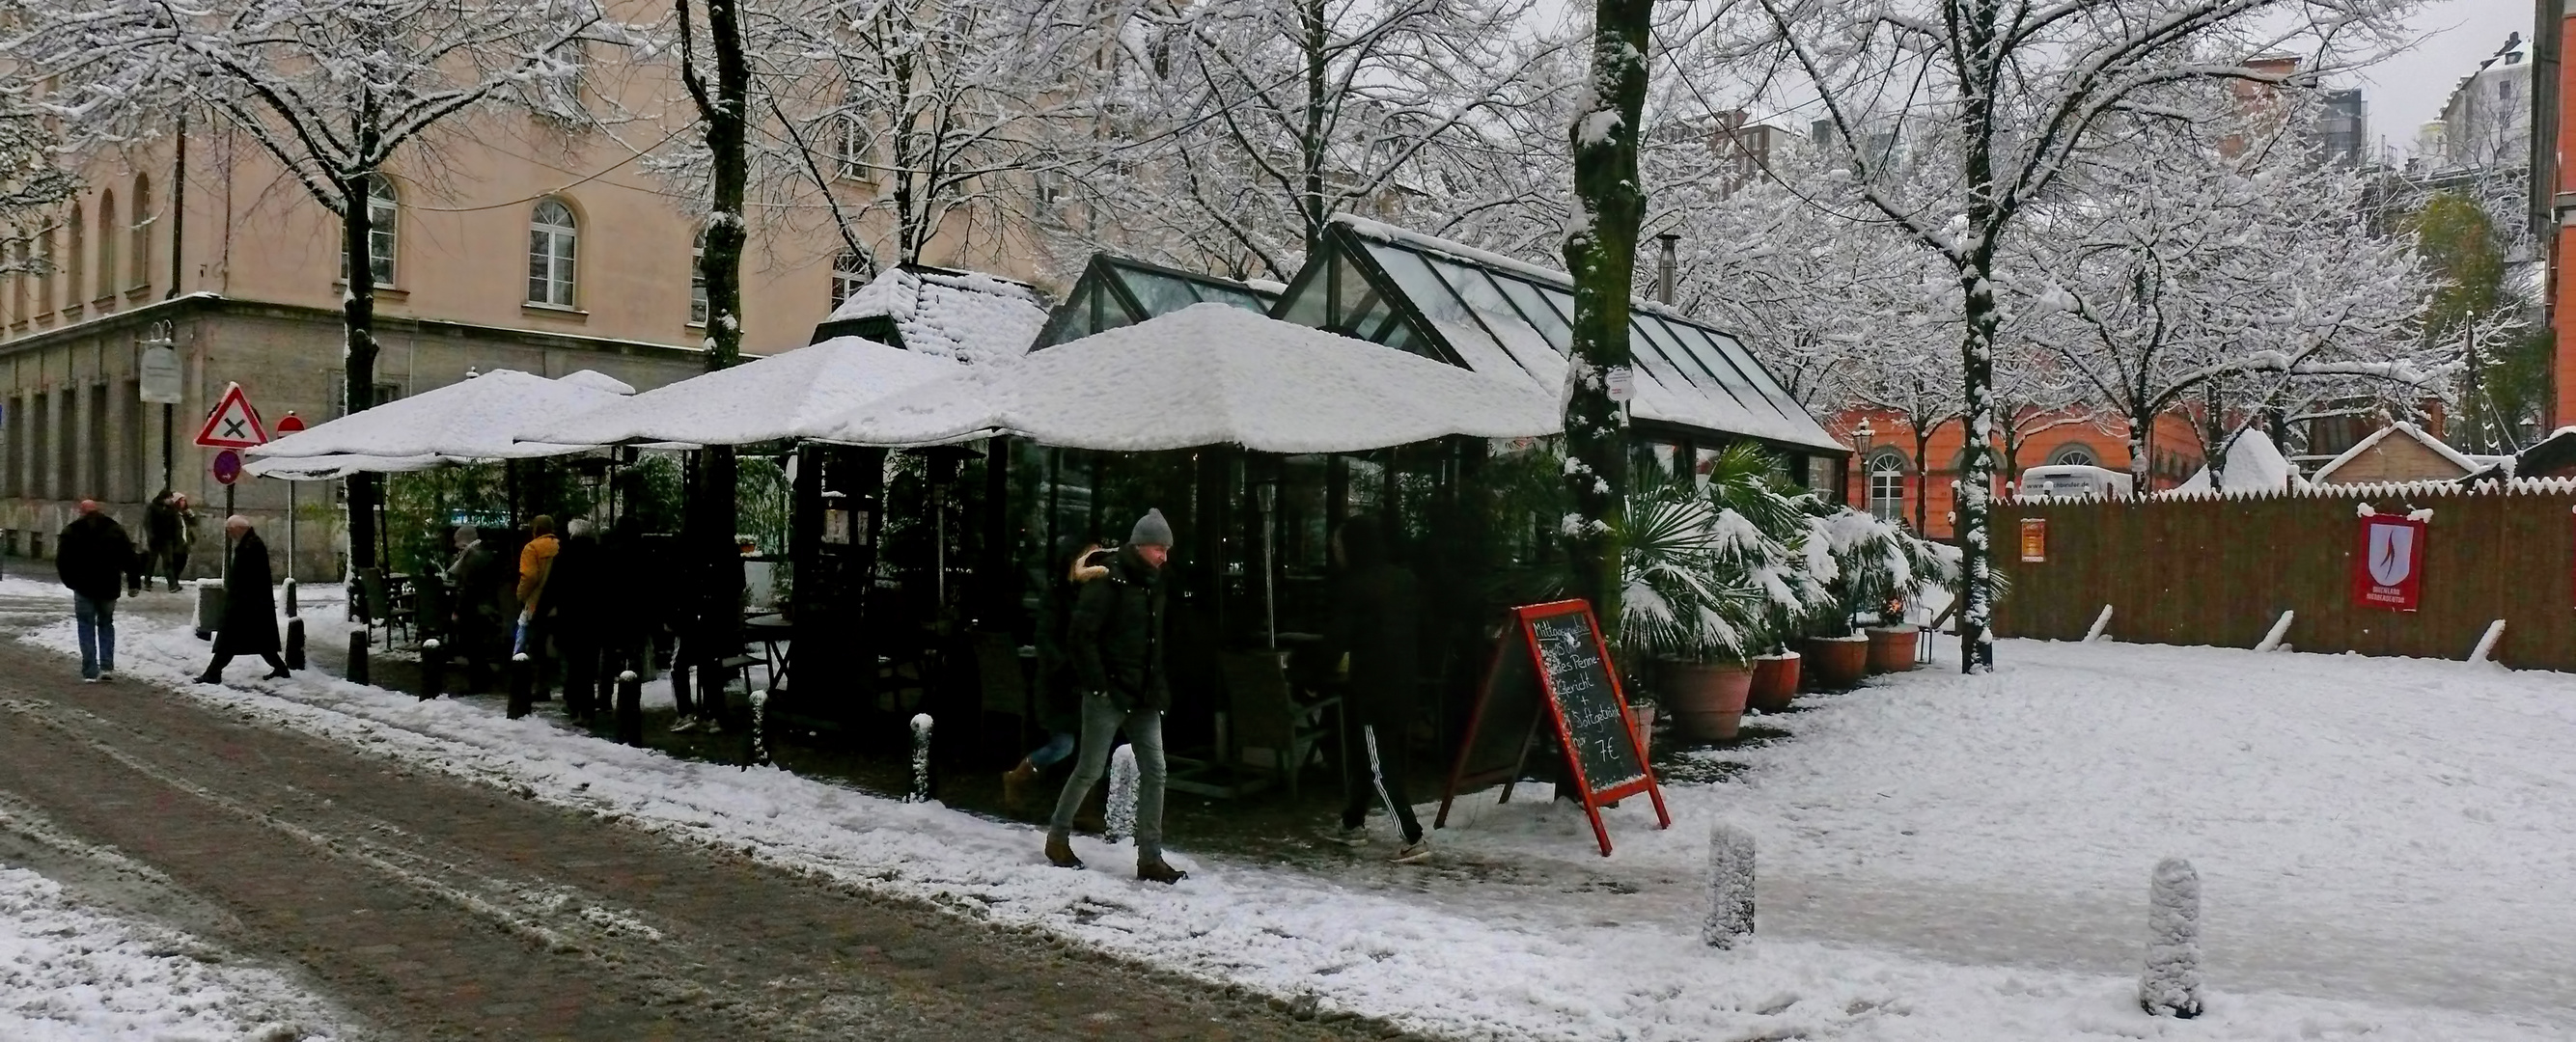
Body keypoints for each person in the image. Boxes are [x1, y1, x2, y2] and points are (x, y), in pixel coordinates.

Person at [1044, 509, 1185, 884]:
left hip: (1142, 692)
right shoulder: (1107, 581)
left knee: (1156, 771)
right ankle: (1057, 838)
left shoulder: (1152, 582)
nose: (1164, 557)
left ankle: (1150, 857)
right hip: (1110, 691)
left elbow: (1152, 642)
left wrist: (1155, 686)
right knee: (1089, 769)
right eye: (1159, 549)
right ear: (1140, 546)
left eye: (1166, 550)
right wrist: (1098, 685)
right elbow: (1080, 636)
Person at [1319, 514, 1430, 864]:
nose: (1335, 552)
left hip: (1372, 689)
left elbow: (1338, 639)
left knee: (1380, 765)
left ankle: (1413, 836)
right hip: (1403, 682)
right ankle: (1353, 823)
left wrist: (1312, 672)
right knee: (1371, 757)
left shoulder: (1355, 587)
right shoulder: (1405, 580)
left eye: (1338, 545)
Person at [1003, 540, 1109, 809]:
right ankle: (1017, 778)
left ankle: (1083, 807)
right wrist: (1065, 665)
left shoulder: (1095, 593)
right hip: (1060, 684)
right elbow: (1046, 637)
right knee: (1065, 745)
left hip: (1084, 680)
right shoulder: (1058, 596)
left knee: (1089, 748)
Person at [196, 515, 288, 683]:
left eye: (230, 531)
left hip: (245, 603)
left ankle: (212, 673)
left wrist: (236, 596)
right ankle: (281, 669)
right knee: (259, 641)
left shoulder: (251, 546)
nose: (230, 535)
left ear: (239, 529)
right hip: (251, 603)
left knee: (229, 641)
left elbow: (248, 577)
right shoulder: (250, 543)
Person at [56, 500, 136, 682]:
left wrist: (70, 582)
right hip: (109, 586)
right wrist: (133, 583)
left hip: (83, 587)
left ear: (81, 512)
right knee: (106, 624)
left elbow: (62, 561)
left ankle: (90, 670)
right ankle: (107, 666)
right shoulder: (114, 529)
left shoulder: (72, 530)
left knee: (86, 625)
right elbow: (129, 557)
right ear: (99, 511)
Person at [546, 518, 608, 721]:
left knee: (573, 664)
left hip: (570, 618)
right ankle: (587, 708)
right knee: (589, 665)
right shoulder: (601, 555)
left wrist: (546, 610)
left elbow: (552, 587)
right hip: (594, 618)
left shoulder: (563, 556)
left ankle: (575, 705)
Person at [445, 526, 502, 690]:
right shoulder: (483, 553)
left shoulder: (472, 558)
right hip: (484, 605)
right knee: (475, 645)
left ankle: (480, 680)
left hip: (475, 608)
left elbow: (468, 588)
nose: (456, 546)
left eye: (458, 541)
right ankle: (483, 676)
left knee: (471, 643)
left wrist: (458, 610)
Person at [515, 515, 561, 697]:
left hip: (537, 603)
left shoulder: (531, 548)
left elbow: (529, 576)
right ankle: (568, 689)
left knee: (537, 646)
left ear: (535, 530)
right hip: (560, 603)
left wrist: (521, 595)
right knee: (560, 645)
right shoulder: (560, 546)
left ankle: (541, 686)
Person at [145, 489, 194, 592]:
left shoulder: (171, 509)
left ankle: (172, 585)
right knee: (151, 562)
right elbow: (148, 523)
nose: (170, 500)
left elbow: (175, 524)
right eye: (169, 498)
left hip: (166, 539)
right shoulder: (153, 507)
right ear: (163, 498)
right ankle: (147, 582)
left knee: (168, 563)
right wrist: (151, 536)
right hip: (155, 539)